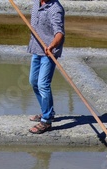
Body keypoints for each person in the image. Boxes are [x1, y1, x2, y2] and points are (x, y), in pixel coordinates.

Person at [27, 0, 65, 134]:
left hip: (49, 51)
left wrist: (52, 46)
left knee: (43, 84)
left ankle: (47, 121)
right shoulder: (37, 3)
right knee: (33, 81)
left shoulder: (55, 9)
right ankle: (46, 111)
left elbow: (59, 33)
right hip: (36, 48)